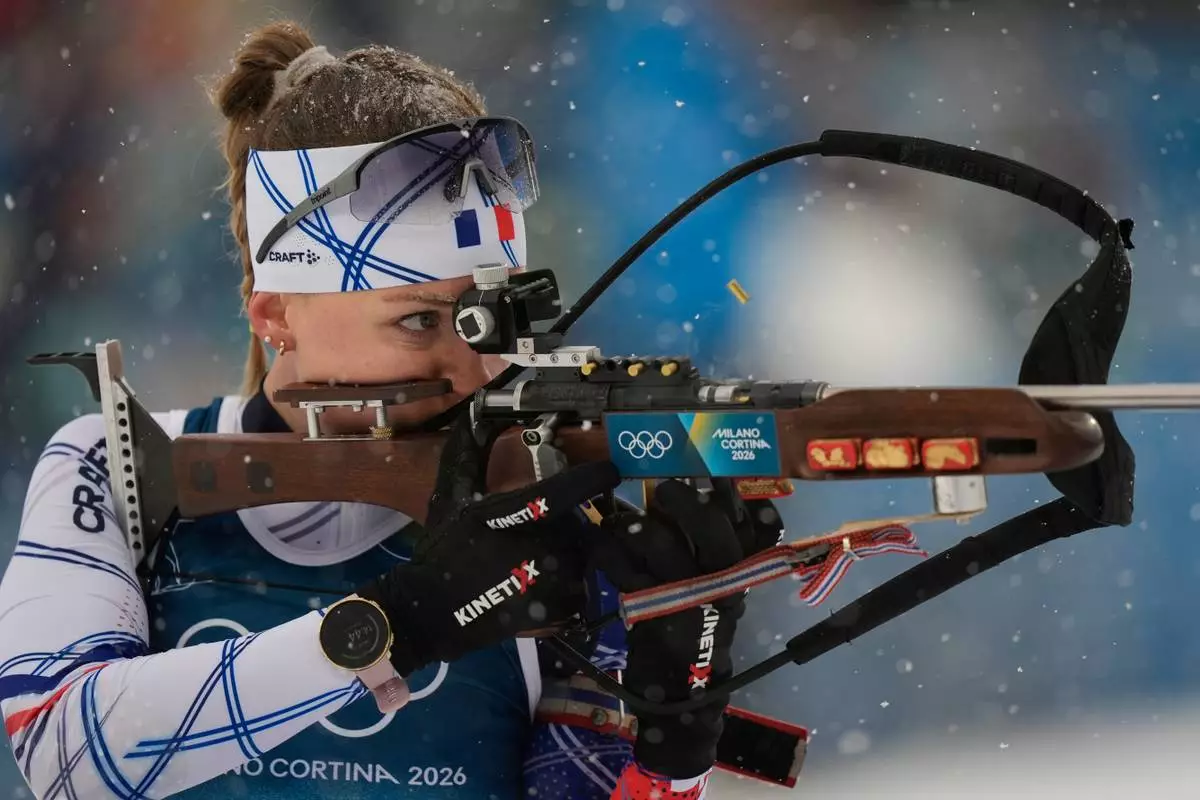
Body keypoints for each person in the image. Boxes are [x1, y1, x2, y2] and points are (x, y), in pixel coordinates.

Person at [0, 20, 781, 800]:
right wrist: (399, 621)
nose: (476, 367)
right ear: (276, 316)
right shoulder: (122, 464)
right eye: (417, 320)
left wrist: (668, 727)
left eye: (492, 320)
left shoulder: (547, 490)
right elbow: (63, 754)